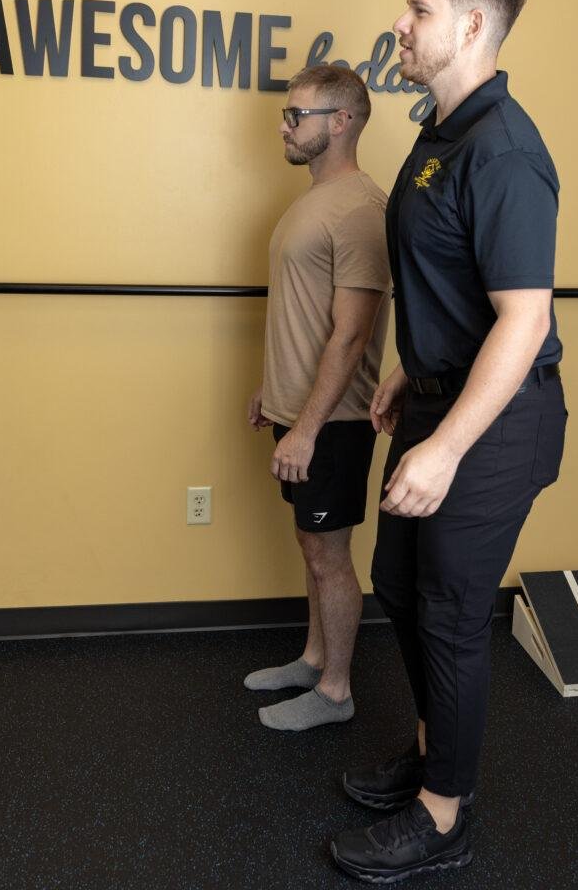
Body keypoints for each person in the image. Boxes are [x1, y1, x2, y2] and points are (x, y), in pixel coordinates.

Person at [331, 0, 568, 881]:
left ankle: (442, 814)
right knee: (397, 579)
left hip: (498, 423)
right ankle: (436, 750)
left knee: (452, 613)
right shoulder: (442, 133)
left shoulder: (506, 149)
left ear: (470, 24)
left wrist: (445, 447)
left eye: (418, 9)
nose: (400, 22)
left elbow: (522, 319)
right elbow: (446, 283)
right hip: (440, 398)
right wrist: (409, 374)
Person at [245, 64, 392, 732]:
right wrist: (272, 394)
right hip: (299, 410)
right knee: (312, 548)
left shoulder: (360, 209)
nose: (283, 125)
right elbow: (302, 316)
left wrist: (304, 428)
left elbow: (352, 333)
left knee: (329, 556)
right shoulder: (311, 203)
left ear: (339, 122)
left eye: (294, 115)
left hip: (331, 422)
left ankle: (335, 692)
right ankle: (312, 659)